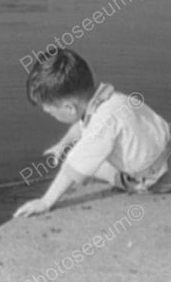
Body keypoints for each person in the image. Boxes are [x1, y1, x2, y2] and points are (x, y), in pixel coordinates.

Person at [14, 49, 171, 217]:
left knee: (92, 169)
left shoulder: (100, 124)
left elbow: (72, 167)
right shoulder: (108, 99)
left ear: (69, 108)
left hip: (161, 177)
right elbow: (82, 125)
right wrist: (63, 144)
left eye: (51, 112)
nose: (51, 114)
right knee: (94, 161)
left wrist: (45, 202)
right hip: (166, 149)